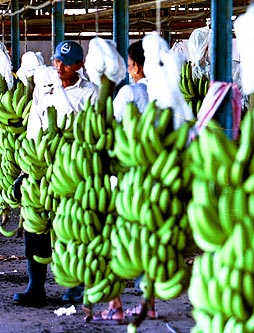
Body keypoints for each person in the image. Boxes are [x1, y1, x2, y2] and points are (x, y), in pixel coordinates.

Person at [13, 40, 98, 306]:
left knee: (72, 227)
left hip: (73, 167)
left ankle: (75, 286)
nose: (59, 67)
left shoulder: (90, 93)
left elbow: (94, 131)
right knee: (35, 225)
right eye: (57, 62)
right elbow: (33, 128)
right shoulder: (45, 88)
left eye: (66, 63)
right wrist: (26, 169)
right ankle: (35, 286)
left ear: (79, 66)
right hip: (41, 164)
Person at [92, 40, 158, 324]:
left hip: (127, 178)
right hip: (156, 178)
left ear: (135, 66)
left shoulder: (128, 94)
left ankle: (115, 304)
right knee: (148, 240)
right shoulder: (163, 94)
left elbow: (110, 129)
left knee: (115, 239)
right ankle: (149, 304)